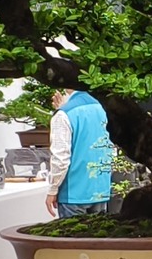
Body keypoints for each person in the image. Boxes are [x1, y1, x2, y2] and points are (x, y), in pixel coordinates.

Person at [44, 85, 113, 217]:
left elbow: (61, 158)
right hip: (100, 188)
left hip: (74, 192)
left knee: (73, 236)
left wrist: (53, 189)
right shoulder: (103, 108)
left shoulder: (65, 114)